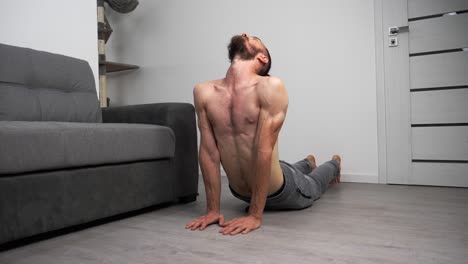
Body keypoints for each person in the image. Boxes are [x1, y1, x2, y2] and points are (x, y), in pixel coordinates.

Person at [185, 33, 341, 236]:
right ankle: (307, 162)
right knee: (287, 167)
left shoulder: (270, 87)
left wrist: (255, 215)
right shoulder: (204, 92)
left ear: (262, 58)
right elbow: (208, 153)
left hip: (282, 192)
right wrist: (213, 210)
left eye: (254, 38)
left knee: (315, 183)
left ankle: (334, 164)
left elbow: (263, 150)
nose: (244, 35)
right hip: (246, 188)